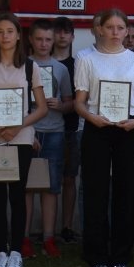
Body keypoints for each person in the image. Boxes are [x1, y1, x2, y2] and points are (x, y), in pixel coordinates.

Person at [0, 13, 49, 267]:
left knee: (17, 195)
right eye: (0, 32)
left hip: (21, 138)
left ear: (18, 35)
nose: (4, 36)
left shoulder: (29, 67)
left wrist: (19, 126)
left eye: (9, 31)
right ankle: (0, 252)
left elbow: (42, 108)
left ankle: (16, 252)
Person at [73, 8, 134, 267]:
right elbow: (79, 103)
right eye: (110, 27)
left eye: (120, 28)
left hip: (127, 129)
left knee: (125, 191)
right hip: (96, 128)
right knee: (95, 191)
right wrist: (92, 118)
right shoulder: (86, 59)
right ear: (100, 29)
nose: (115, 33)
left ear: (127, 31)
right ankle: (96, 256)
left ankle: (121, 257)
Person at [24, 19, 72, 259]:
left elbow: (70, 102)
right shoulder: (23, 66)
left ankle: (48, 238)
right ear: (31, 40)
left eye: (48, 40)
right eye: (39, 39)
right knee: (26, 187)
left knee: (51, 187)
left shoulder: (61, 69)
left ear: (53, 42)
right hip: (27, 131)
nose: (43, 44)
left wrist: (60, 105)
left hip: (54, 132)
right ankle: (23, 238)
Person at [51, 15, 82, 244]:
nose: (61, 36)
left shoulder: (77, 64)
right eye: (58, 31)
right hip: (44, 127)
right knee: (45, 180)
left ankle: (67, 227)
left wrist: (64, 106)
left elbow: (81, 98)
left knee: (69, 178)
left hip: (71, 127)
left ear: (72, 36)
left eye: (66, 32)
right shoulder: (38, 63)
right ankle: (47, 229)